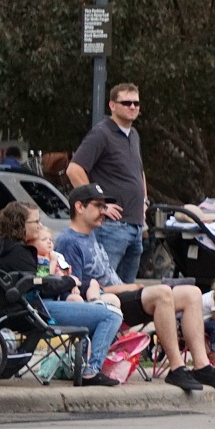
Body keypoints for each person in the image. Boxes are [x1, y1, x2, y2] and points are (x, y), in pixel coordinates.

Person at [53, 184, 215, 393]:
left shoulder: (91, 236)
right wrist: (124, 287)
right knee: (162, 294)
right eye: (98, 205)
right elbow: (76, 290)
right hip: (104, 304)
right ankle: (176, 368)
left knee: (192, 293)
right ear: (79, 207)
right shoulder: (68, 241)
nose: (104, 211)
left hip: (121, 295)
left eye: (104, 205)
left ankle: (202, 366)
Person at [0, 203, 123, 386]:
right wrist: (69, 282)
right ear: (19, 224)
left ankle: (79, 363)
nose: (39, 225)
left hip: (27, 309)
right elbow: (41, 286)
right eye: (35, 221)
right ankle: (91, 371)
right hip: (37, 311)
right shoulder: (17, 253)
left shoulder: (4, 247)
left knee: (100, 308)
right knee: (112, 315)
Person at [66, 82, 149, 283]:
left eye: (136, 103)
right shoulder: (101, 133)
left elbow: (139, 171)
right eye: (126, 102)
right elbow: (74, 169)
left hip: (135, 225)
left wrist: (144, 201)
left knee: (128, 293)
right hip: (112, 227)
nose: (132, 107)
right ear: (112, 105)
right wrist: (99, 205)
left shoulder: (134, 134)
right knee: (105, 286)